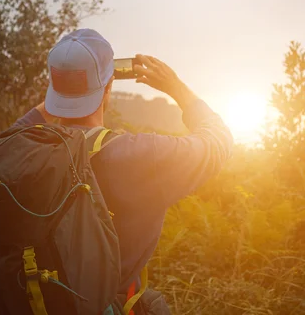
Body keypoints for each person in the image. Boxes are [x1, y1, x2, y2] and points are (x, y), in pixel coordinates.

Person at [13, 28, 233, 313]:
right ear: (109, 87)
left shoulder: (21, 148)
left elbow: (13, 132)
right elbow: (218, 142)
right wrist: (176, 87)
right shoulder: (137, 155)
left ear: (52, 87)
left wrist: (63, 95)